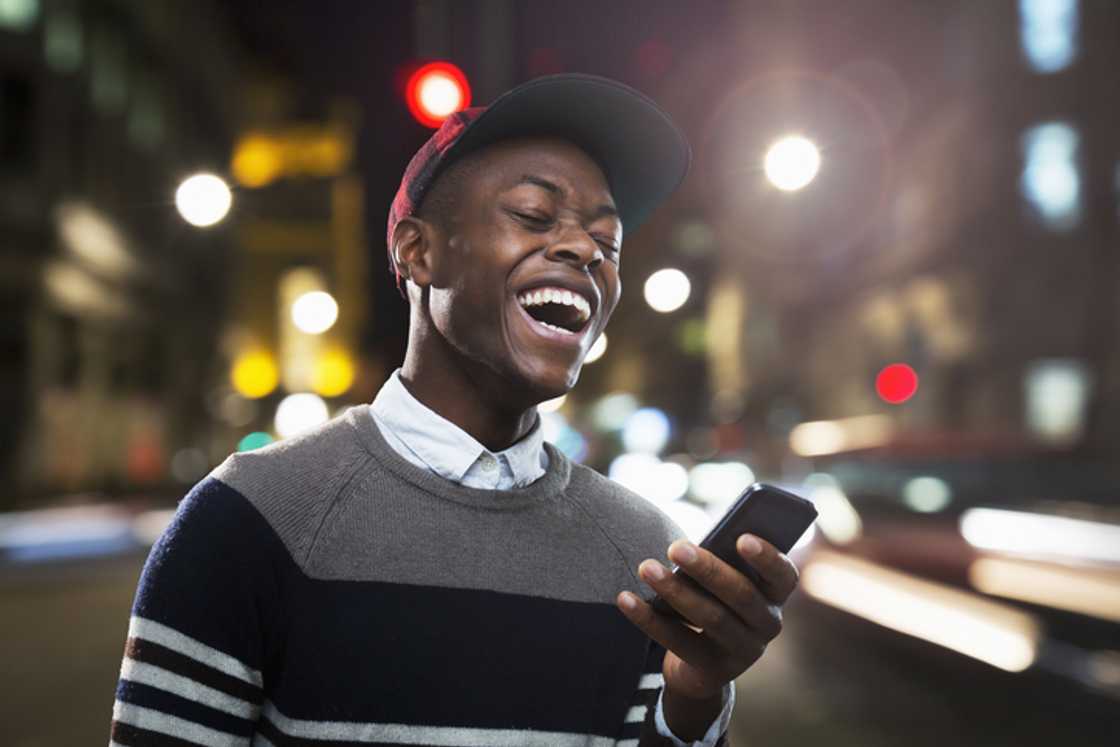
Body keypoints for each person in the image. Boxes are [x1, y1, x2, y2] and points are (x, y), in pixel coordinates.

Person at [109, 74, 800, 747]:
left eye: (608, 242)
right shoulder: (247, 521)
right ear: (418, 253)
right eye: (534, 214)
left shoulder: (648, 553)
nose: (586, 249)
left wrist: (693, 699)